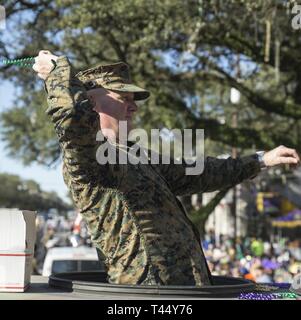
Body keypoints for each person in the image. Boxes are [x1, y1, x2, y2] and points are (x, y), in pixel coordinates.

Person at [33, 50, 300, 286]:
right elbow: (71, 118)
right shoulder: (89, 157)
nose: (134, 107)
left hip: (183, 288)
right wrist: (56, 72)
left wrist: (260, 160)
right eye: (123, 97)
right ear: (92, 101)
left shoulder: (135, 155)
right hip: (146, 294)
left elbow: (199, 171)